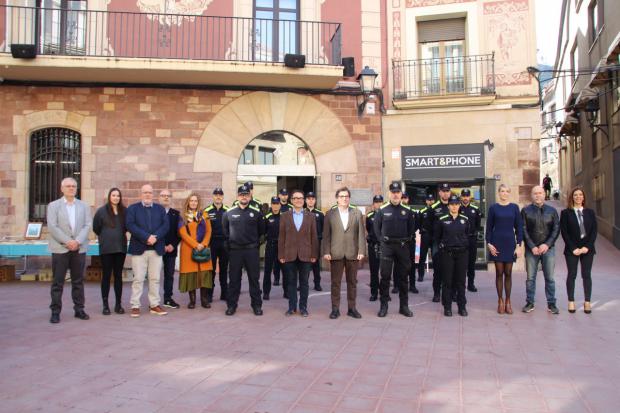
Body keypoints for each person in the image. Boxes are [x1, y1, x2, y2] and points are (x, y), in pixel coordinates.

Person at [48, 177, 92, 324]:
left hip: (78, 249)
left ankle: (79, 309)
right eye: (68, 186)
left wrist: (77, 241)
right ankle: (55, 311)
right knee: (58, 282)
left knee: (78, 281)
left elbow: (87, 225)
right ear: (62, 189)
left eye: (73, 186)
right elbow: (53, 227)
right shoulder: (53, 206)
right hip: (61, 248)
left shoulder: (84, 206)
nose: (71, 188)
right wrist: (68, 241)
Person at [126, 184, 169, 318]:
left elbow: (165, 225)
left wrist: (155, 237)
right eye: (145, 192)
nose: (148, 195)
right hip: (140, 249)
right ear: (141, 194)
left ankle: (154, 304)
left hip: (156, 249)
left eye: (150, 193)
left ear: (153, 194)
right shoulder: (133, 209)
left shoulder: (160, 209)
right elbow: (130, 225)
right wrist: (147, 237)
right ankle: (135, 305)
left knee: (155, 279)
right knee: (138, 278)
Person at [323, 187, 366, 319]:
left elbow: (361, 234)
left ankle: (352, 308)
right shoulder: (330, 214)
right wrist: (326, 251)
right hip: (336, 253)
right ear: (337, 198)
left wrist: (361, 250)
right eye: (341, 196)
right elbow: (326, 235)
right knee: (335, 282)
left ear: (349, 198)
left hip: (353, 253)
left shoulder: (357, 213)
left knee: (352, 282)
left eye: (346, 196)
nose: (344, 198)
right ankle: (335, 309)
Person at [373, 182, 415, 318]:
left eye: (398, 192)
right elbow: (376, 229)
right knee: (385, 277)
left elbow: (411, 230)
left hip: (402, 247)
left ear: (401, 194)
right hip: (387, 247)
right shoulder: (382, 210)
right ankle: (383, 306)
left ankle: (404, 306)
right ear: (389, 193)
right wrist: (382, 241)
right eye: (393, 192)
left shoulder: (408, 211)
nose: (396, 194)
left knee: (403, 278)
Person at [222, 184, 265, 316]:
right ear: (237, 196)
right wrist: (231, 248)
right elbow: (225, 233)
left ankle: (257, 305)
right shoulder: (229, 213)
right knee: (234, 280)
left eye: (246, 195)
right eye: (241, 195)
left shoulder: (256, 213)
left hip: (251, 251)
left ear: (250, 196)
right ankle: (231, 305)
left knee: (254, 279)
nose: (244, 197)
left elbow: (262, 233)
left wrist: (255, 245)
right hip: (235, 251)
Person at [279, 189, 319, 317]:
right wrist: (281, 255)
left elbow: (314, 237)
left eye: (300, 198)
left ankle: (303, 307)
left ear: (304, 200)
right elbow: (281, 237)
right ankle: (291, 307)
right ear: (291, 201)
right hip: (289, 254)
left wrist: (314, 254)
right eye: (295, 198)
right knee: (290, 282)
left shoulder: (311, 216)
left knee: (304, 283)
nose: (298, 200)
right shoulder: (284, 216)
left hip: (306, 254)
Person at [521, 186, 560, 314]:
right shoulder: (526, 211)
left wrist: (547, 244)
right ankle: (530, 302)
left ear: (544, 194)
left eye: (540, 193)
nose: (538, 195)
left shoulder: (552, 211)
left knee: (550, 278)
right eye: (535, 193)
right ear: (532, 195)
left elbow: (556, 229)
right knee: (530, 278)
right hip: (531, 250)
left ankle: (551, 304)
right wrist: (532, 246)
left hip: (548, 249)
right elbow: (523, 229)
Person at [486, 184, 523, 314]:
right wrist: (488, 243)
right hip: (496, 243)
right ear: (499, 193)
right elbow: (489, 227)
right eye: (502, 191)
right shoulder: (493, 208)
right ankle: (500, 300)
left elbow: (519, 228)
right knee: (499, 273)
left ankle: (508, 300)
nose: (504, 193)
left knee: (508, 273)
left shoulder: (514, 208)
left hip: (510, 243)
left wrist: (519, 246)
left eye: (507, 191)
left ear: (509, 193)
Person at [560, 187, 597, 314]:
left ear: (584, 197)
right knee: (572, 274)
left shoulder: (590, 213)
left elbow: (594, 231)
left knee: (586, 275)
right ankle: (571, 301)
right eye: (575, 195)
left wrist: (588, 246)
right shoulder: (566, 213)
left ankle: (587, 302)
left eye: (580, 195)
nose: (578, 197)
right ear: (572, 197)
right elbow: (564, 232)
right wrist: (573, 248)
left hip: (588, 249)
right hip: (572, 249)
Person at [434, 194, 471, 317]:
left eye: (456, 204)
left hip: (462, 253)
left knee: (460, 282)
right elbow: (437, 237)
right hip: (447, 254)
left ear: (459, 205)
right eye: (452, 204)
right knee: (447, 282)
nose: (454, 206)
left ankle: (462, 307)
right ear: (448, 206)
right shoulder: (442, 219)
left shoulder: (465, 219)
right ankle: (447, 307)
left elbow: (468, 235)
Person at [92, 187, 127, 315]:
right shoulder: (101, 211)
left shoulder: (124, 211)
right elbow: (96, 228)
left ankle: (118, 304)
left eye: (118, 195)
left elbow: (127, 226)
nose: (116, 198)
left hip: (120, 248)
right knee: (106, 276)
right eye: (113, 195)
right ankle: (105, 305)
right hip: (106, 248)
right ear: (109, 197)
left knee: (118, 276)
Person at [178, 193, 213, 309]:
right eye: (191, 201)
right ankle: (192, 301)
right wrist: (195, 245)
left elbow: (208, 231)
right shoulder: (183, 216)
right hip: (188, 249)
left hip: (203, 248)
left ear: (198, 203)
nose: (193, 203)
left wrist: (203, 244)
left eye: (196, 201)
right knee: (191, 275)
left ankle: (204, 300)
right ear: (188, 202)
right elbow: (182, 233)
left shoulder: (204, 215)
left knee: (203, 275)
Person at [204, 187, 229, 303]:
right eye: (216, 195)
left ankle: (224, 294)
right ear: (213, 196)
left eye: (220, 195)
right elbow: (203, 229)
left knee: (224, 270)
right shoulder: (207, 211)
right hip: (212, 243)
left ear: (223, 197)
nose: (218, 196)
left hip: (224, 243)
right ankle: (209, 294)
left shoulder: (228, 210)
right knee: (211, 270)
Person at [430, 183, 451, 302]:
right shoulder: (433, 208)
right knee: (437, 270)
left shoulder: (455, 205)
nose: (445, 193)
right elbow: (428, 226)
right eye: (443, 191)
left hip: (452, 243)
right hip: (437, 244)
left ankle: (451, 293)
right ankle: (437, 293)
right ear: (439, 193)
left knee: (451, 270)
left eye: (447, 191)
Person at [159, 189, 181, 309]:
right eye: (163, 196)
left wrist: (173, 245)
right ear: (159, 198)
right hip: (157, 248)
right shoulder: (154, 212)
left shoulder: (176, 214)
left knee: (169, 275)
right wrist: (161, 245)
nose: (166, 198)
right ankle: (154, 300)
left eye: (168, 196)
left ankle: (168, 298)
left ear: (171, 198)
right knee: (155, 275)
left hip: (171, 249)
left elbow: (179, 233)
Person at [459, 188, 482, 292]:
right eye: (463, 196)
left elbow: (478, 225)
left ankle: (471, 284)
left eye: (467, 196)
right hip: (460, 239)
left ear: (470, 197)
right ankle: (461, 284)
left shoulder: (475, 209)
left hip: (471, 239)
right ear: (461, 197)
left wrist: (475, 234)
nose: (465, 198)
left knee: (471, 263)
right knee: (461, 263)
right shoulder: (457, 208)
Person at [263, 196, 282, 300]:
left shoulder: (284, 217)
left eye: (277, 203)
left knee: (285, 270)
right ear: (271, 205)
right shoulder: (267, 217)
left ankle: (287, 291)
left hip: (281, 246)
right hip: (270, 245)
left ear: (280, 205)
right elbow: (263, 232)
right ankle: (266, 293)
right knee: (267, 270)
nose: (275, 205)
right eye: (273, 203)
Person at [306, 192, 324, 291]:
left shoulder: (320, 214)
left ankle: (317, 284)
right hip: (305, 243)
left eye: (312, 199)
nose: (311, 200)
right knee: (304, 265)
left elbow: (323, 228)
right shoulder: (302, 212)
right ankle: (303, 283)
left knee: (316, 265)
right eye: (309, 199)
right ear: (306, 200)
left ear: (315, 200)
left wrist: (319, 237)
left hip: (316, 243)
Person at [366, 194, 383, 301]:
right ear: (373, 204)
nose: (378, 204)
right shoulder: (369, 216)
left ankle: (385, 293)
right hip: (373, 246)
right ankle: (374, 293)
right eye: (376, 202)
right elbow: (368, 229)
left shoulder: (387, 214)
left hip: (385, 246)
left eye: (380, 202)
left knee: (385, 271)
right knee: (374, 271)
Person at [416, 193, 435, 282]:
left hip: (435, 235)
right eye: (429, 200)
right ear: (426, 201)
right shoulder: (422, 211)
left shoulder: (437, 210)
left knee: (436, 256)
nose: (430, 201)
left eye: (432, 200)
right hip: (425, 235)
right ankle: (420, 275)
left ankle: (437, 275)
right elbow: (418, 223)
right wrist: (422, 230)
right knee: (422, 257)